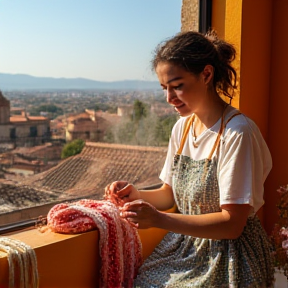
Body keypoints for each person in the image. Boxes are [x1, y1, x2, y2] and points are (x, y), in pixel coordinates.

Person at [105, 30, 274, 287]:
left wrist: (159, 220)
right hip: (186, 248)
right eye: (164, 88)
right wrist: (136, 195)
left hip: (228, 256)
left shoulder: (237, 133)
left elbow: (232, 225)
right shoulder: (182, 129)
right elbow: (169, 193)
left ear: (206, 74)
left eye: (177, 86)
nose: (169, 98)